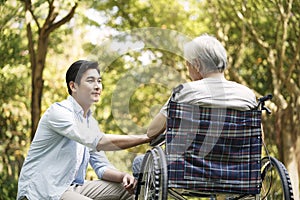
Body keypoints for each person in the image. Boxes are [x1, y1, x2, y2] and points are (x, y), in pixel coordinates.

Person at [17, 60, 151, 200]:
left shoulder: (90, 123)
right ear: (73, 86)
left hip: (73, 187)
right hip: (43, 190)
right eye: (90, 80)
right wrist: (145, 137)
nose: (97, 86)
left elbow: (101, 166)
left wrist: (123, 176)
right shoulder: (59, 112)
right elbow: (99, 141)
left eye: (99, 81)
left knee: (128, 191)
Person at [132, 34, 258, 177]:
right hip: (236, 173)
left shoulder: (184, 92)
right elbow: (258, 139)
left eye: (188, 64)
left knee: (138, 163)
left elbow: (152, 132)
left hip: (187, 173)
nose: (188, 69)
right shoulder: (248, 96)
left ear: (197, 64)